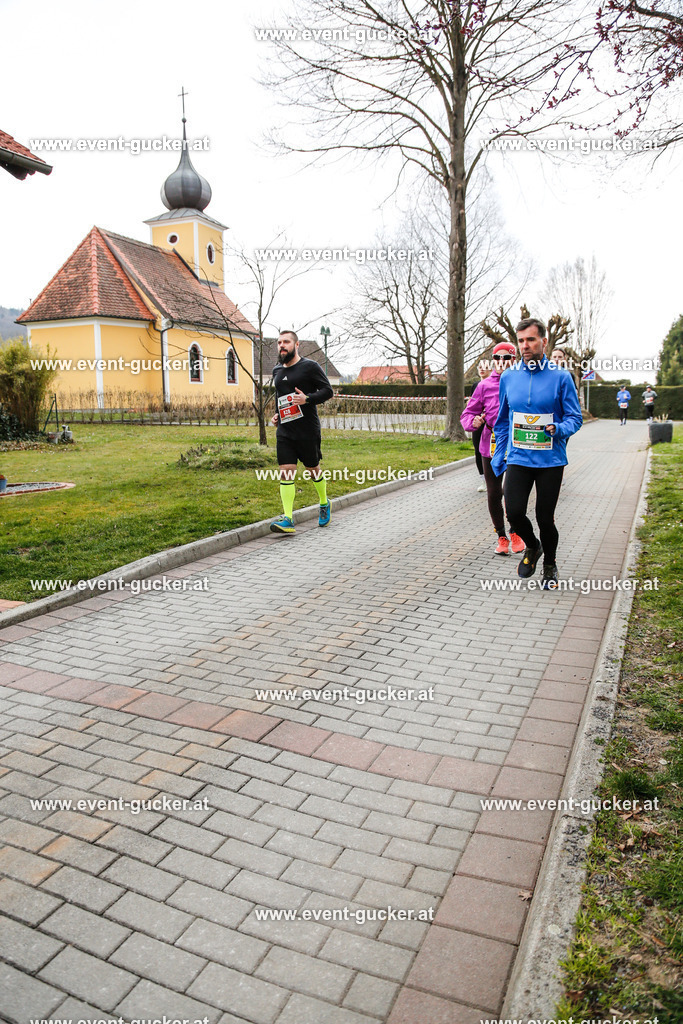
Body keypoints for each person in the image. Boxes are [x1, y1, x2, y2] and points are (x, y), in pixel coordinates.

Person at [492, 317, 583, 589]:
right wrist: (500, 454)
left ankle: (550, 566)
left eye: (530, 340)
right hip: (519, 457)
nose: (525, 346)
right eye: (520, 341)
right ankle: (533, 546)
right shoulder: (509, 377)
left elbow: (575, 418)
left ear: (544, 341)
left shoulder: (561, 377)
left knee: (545, 517)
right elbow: (502, 420)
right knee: (515, 512)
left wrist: (559, 429)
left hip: (550, 460)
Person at [460, 342, 525, 556]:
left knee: (513, 493)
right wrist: (474, 422)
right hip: (490, 445)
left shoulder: (524, 383)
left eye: (507, 358)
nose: (501, 362)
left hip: (517, 445)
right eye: (497, 358)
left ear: (514, 360)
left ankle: (516, 532)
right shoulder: (484, 386)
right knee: (494, 492)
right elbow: (467, 415)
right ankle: (502, 536)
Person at [269, 330, 334, 534]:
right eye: (279, 342)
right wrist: (277, 415)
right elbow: (282, 397)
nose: (282, 345)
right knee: (286, 472)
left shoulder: (310, 367)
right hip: (285, 431)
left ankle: (324, 503)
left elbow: (328, 391)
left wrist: (308, 399)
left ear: (297, 345)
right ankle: (288, 518)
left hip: (307, 430)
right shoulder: (276, 371)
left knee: (313, 469)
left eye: (286, 342)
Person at [471, 361, 492, 491]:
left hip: (490, 424)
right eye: (480, 367)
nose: (482, 370)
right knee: (478, 451)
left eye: (485, 367)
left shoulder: (495, 384)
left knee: (491, 451)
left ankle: (496, 478)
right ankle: (483, 480)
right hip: (478, 423)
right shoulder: (475, 385)